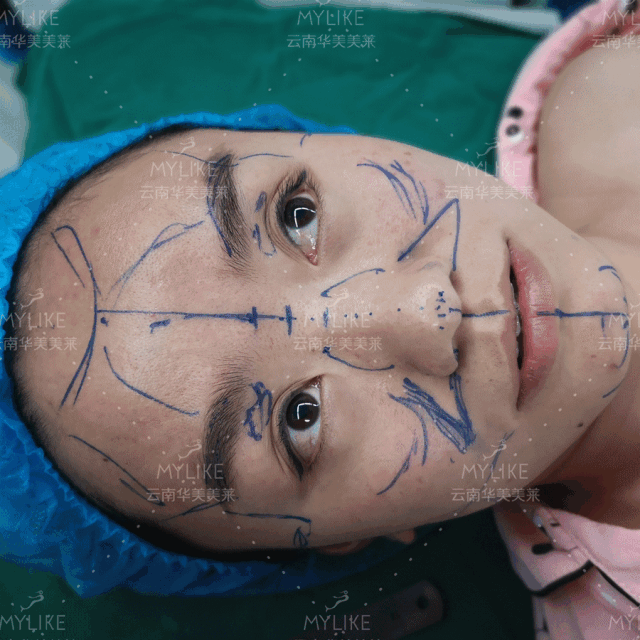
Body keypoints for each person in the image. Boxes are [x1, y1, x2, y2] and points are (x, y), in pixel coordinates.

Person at [2, 0, 640, 634]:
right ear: (350, 539)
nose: (425, 313)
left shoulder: (610, 68)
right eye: (300, 418)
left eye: (296, 216)